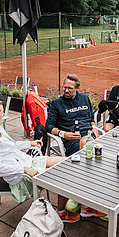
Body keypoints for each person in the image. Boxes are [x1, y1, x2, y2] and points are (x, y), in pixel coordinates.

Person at [0, 98, 80, 223]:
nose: (4, 114)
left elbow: (11, 145)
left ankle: (75, 201)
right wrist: (24, 169)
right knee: (63, 175)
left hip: (26, 162)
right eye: (2, 112)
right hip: (19, 177)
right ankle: (61, 213)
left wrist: (30, 143)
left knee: (67, 162)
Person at [46, 74, 106, 221]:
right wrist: (63, 134)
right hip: (71, 140)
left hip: (89, 135)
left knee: (93, 153)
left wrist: (94, 127)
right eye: (64, 87)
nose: (66, 90)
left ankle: (84, 201)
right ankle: (87, 204)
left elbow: (90, 118)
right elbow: (49, 126)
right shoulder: (56, 104)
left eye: (70, 88)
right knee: (89, 152)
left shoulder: (84, 98)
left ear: (77, 88)